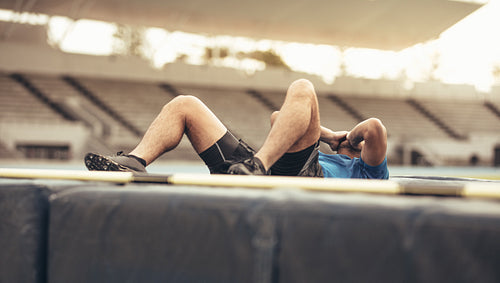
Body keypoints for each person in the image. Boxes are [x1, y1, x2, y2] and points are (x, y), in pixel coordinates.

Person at [85, 79, 389, 179]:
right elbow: (278, 117)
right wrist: (333, 137)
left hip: (304, 178)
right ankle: (135, 162)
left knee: (303, 87)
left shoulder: (369, 172)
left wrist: (347, 139)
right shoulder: (325, 150)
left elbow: (374, 128)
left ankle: (257, 166)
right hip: (258, 167)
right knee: (186, 104)